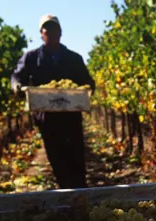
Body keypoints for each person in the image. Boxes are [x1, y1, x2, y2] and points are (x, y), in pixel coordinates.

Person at [11, 14, 95, 189]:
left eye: (54, 28)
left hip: (71, 114)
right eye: (46, 29)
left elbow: (88, 81)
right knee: (56, 156)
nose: (51, 32)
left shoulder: (74, 58)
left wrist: (87, 88)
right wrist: (18, 87)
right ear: (41, 33)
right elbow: (16, 77)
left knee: (76, 156)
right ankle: (65, 192)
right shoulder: (31, 57)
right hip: (46, 116)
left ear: (61, 32)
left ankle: (81, 193)